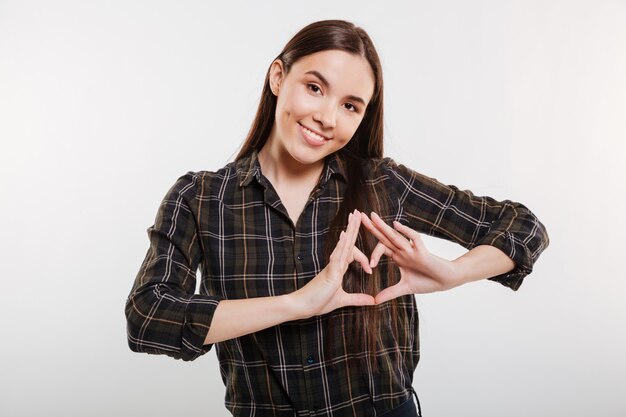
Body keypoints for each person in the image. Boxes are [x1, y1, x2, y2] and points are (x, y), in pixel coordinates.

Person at [125, 19, 549, 417]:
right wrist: (296, 304)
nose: (327, 118)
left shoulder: (382, 183)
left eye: (350, 105)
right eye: (314, 87)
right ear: (278, 78)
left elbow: (522, 226)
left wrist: (453, 272)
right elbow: (147, 317)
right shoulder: (200, 198)